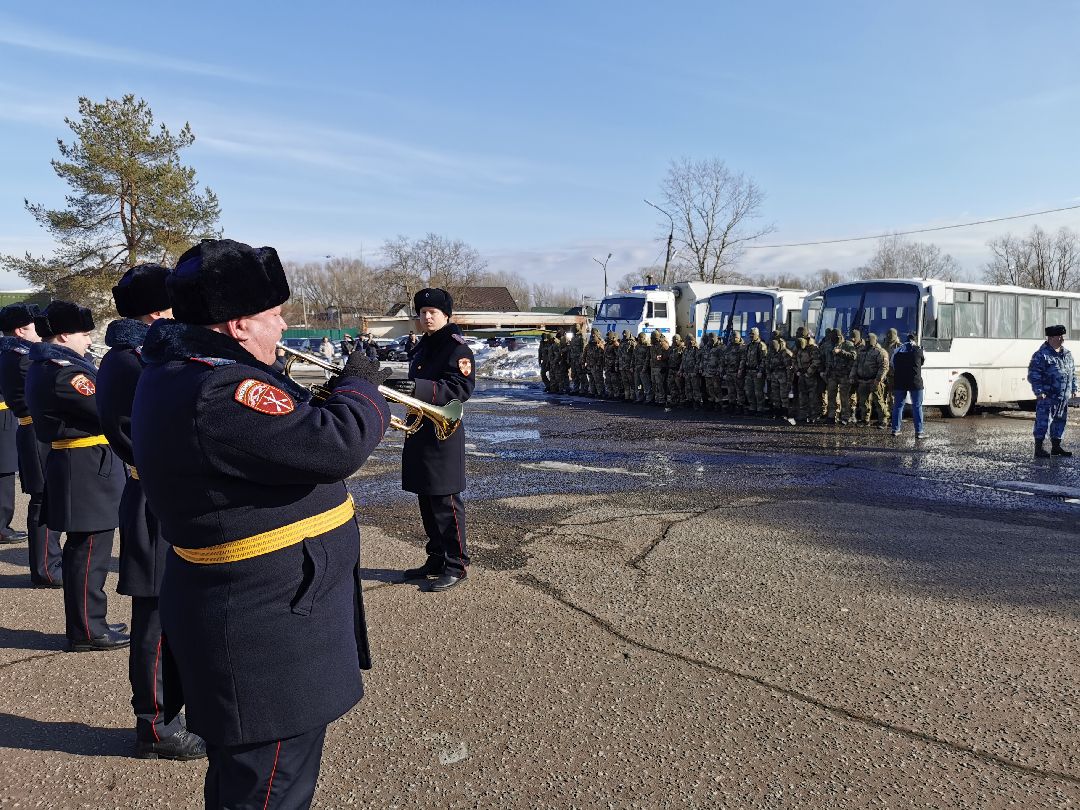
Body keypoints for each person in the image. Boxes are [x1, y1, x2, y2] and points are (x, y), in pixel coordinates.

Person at [131, 238, 391, 808]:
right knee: (268, 788)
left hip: (262, 614)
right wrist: (361, 384)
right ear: (240, 323)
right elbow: (335, 444)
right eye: (275, 316)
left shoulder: (193, 370)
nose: (282, 328)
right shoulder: (219, 386)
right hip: (263, 632)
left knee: (251, 782)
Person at [97, 264, 206, 761]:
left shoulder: (139, 354)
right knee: (156, 614)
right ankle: (156, 724)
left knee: (172, 607)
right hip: (153, 497)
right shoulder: (133, 360)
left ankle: (174, 710)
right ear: (158, 310)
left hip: (164, 493)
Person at [26, 301, 128, 651]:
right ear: (65, 335)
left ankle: (89, 621)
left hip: (84, 464)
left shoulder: (53, 365)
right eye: (85, 334)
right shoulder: (66, 373)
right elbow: (106, 408)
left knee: (87, 549)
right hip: (84, 468)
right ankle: (88, 629)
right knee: (89, 551)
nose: (89, 340)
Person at [386, 288, 475, 592]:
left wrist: (416, 388)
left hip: (442, 433)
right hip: (421, 429)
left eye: (432, 312)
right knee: (426, 497)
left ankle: (457, 564)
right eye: (422, 312)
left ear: (446, 315)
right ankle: (436, 557)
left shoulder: (455, 348)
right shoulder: (425, 345)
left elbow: (459, 389)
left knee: (445, 501)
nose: (426, 317)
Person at [0, 304, 59, 584]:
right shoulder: (23, 358)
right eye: (34, 325)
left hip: (34, 429)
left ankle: (47, 563)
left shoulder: (18, 354)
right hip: (37, 431)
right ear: (21, 329)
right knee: (43, 498)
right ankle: (46, 567)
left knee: (45, 497)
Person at [1027, 324, 1077, 458]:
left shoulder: (1066, 354)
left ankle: (1056, 447)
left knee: (1060, 421)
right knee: (1043, 421)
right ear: (1050, 338)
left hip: (1062, 396)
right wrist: (1039, 391)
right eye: (1058, 336)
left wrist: (1073, 387)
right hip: (1048, 396)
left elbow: (1072, 372)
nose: (1061, 339)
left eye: (1062, 336)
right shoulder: (1041, 355)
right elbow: (1034, 375)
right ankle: (1039, 448)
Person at [890, 332, 926, 438]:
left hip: (900, 381)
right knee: (917, 406)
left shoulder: (897, 350)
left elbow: (893, 364)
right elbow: (923, 362)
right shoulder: (919, 350)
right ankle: (919, 432)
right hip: (915, 382)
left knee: (898, 406)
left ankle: (895, 430)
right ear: (915, 340)